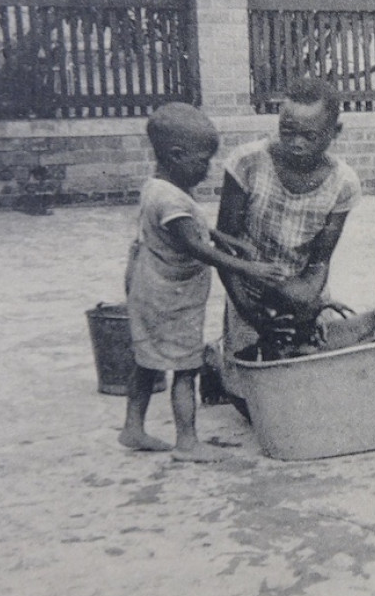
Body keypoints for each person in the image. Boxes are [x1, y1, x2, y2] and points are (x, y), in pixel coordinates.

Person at [120, 103, 287, 460]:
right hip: (171, 300)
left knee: (146, 360)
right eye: (202, 161)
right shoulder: (170, 199)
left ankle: (133, 427)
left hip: (151, 292)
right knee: (185, 367)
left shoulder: (159, 187)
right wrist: (249, 268)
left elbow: (190, 228)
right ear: (176, 155)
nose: (208, 170)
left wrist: (224, 236)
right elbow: (196, 247)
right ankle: (187, 442)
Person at [217, 77, 362, 363]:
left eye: (310, 136)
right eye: (288, 131)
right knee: (247, 386)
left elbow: (320, 260)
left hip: (301, 288)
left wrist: (308, 305)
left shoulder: (343, 183)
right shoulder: (247, 162)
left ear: (335, 132)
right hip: (246, 289)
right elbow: (223, 246)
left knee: (311, 369)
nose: (296, 143)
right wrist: (250, 312)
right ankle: (216, 360)